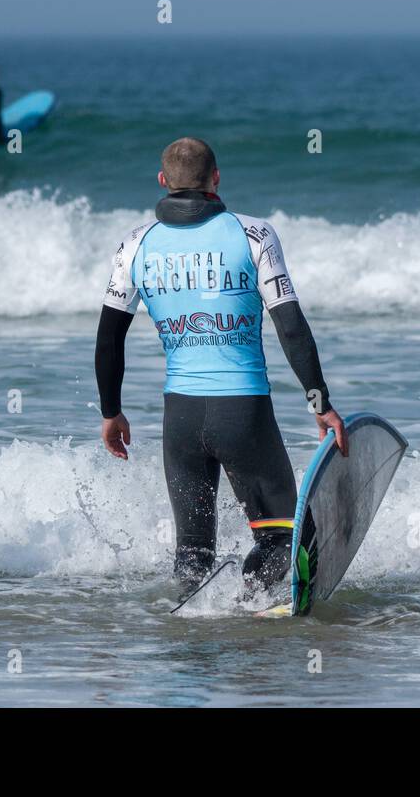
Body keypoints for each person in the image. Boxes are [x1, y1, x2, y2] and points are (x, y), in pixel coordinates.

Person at [95, 137, 347, 601]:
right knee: (282, 537)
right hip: (242, 413)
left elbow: (110, 337)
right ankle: (250, 606)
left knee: (192, 551)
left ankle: (196, 641)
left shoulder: (136, 244)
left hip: (181, 419)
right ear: (216, 178)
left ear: (163, 182)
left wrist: (112, 411)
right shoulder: (253, 234)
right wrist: (320, 402)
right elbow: (290, 324)